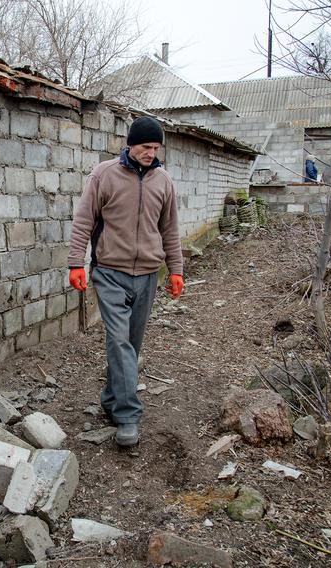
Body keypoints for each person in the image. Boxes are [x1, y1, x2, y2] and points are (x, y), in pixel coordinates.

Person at [67, 116, 184, 447]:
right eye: (146, 147)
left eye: (156, 147)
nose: (152, 153)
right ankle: (128, 415)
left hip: (147, 275)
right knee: (119, 341)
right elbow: (84, 219)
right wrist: (77, 262)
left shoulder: (163, 182)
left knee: (130, 346)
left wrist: (175, 270)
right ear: (131, 144)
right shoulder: (104, 174)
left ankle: (111, 397)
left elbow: (170, 230)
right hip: (110, 272)